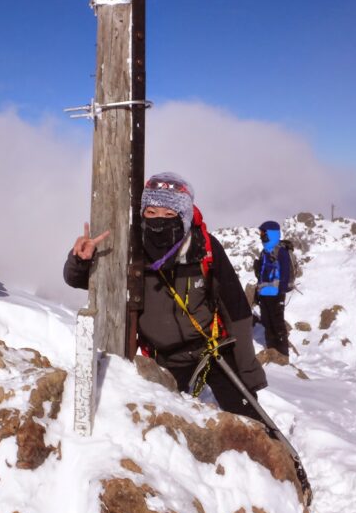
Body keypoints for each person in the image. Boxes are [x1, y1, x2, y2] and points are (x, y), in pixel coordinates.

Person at [64, 171, 266, 419]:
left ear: (183, 217)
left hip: (211, 350)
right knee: (162, 425)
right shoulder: (131, 252)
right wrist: (80, 261)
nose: (159, 220)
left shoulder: (204, 249)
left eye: (169, 214)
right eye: (151, 212)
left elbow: (236, 311)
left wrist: (248, 374)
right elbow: (78, 281)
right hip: (165, 359)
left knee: (250, 419)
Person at [253, 220, 292, 359]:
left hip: (276, 294)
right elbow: (262, 274)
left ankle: (283, 355)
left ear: (271, 233)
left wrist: (280, 291)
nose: (261, 235)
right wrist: (258, 293)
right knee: (268, 325)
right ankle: (272, 351)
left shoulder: (281, 251)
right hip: (264, 294)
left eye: (263, 232)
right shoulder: (264, 252)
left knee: (278, 325)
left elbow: (286, 272)